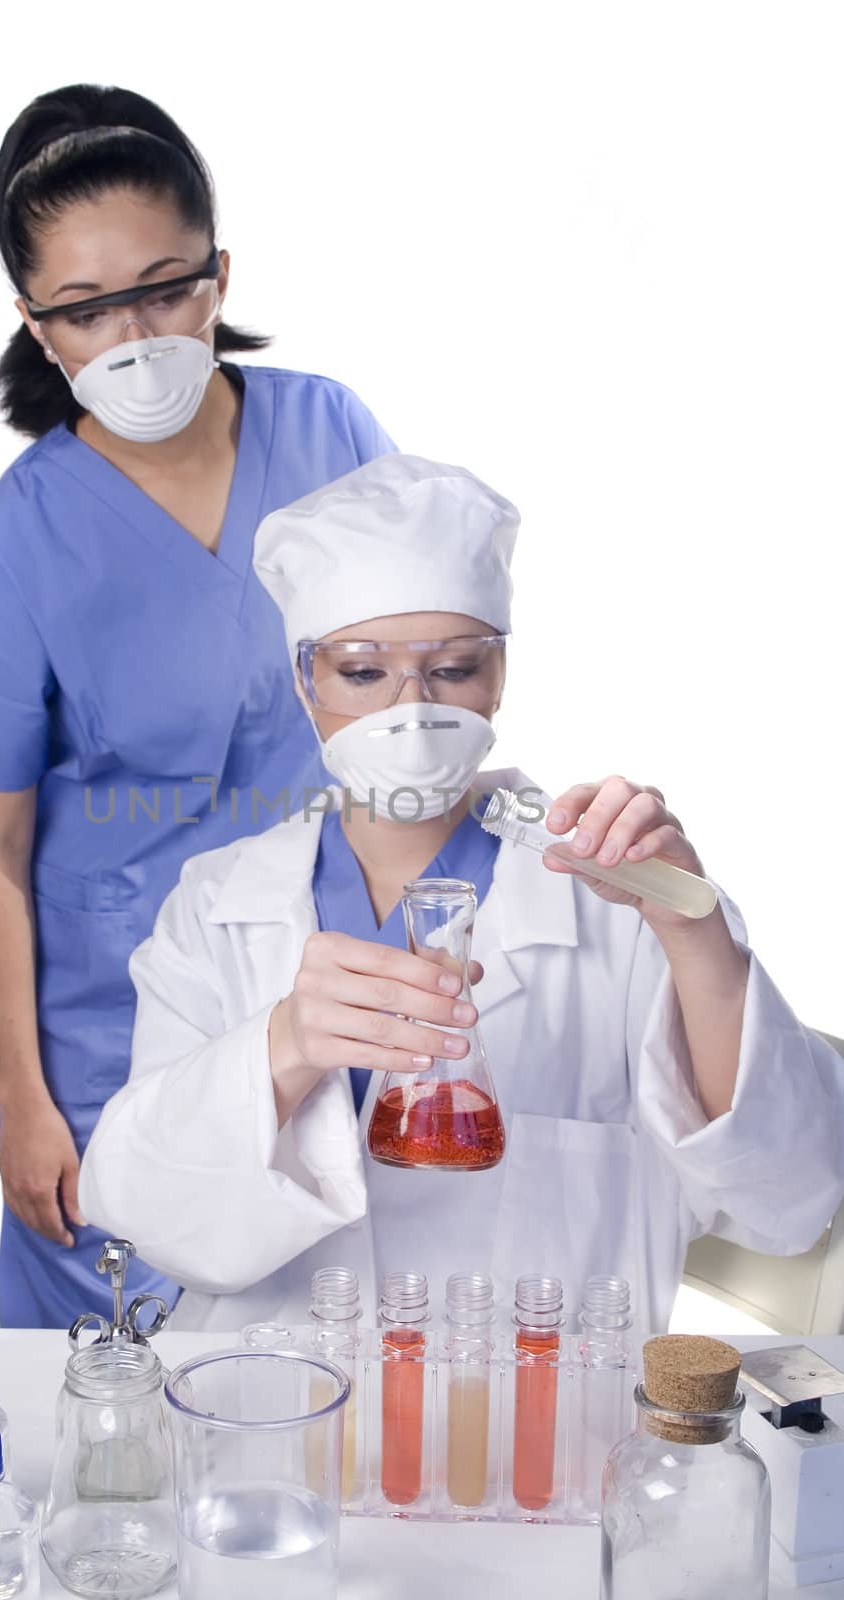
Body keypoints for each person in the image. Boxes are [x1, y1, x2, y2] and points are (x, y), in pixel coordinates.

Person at [79, 453, 844, 1332]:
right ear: (303, 679)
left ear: (499, 672)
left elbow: (787, 1199)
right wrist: (286, 1045)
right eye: (362, 673)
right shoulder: (217, 907)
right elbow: (147, 1213)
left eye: (452, 670)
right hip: (274, 1413)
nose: (411, 709)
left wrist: (698, 938)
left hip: (544, 1422)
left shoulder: (615, 893)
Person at [0, 83, 395, 1328]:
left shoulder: (328, 430)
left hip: (329, 990)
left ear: (219, 275)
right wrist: (23, 1099)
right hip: (115, 1041)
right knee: (120, 1418)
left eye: (164, 288)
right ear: (35, 324)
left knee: (336, 1394)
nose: (132, 332)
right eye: (85, 308)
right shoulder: (13, 545)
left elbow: (414, 680)